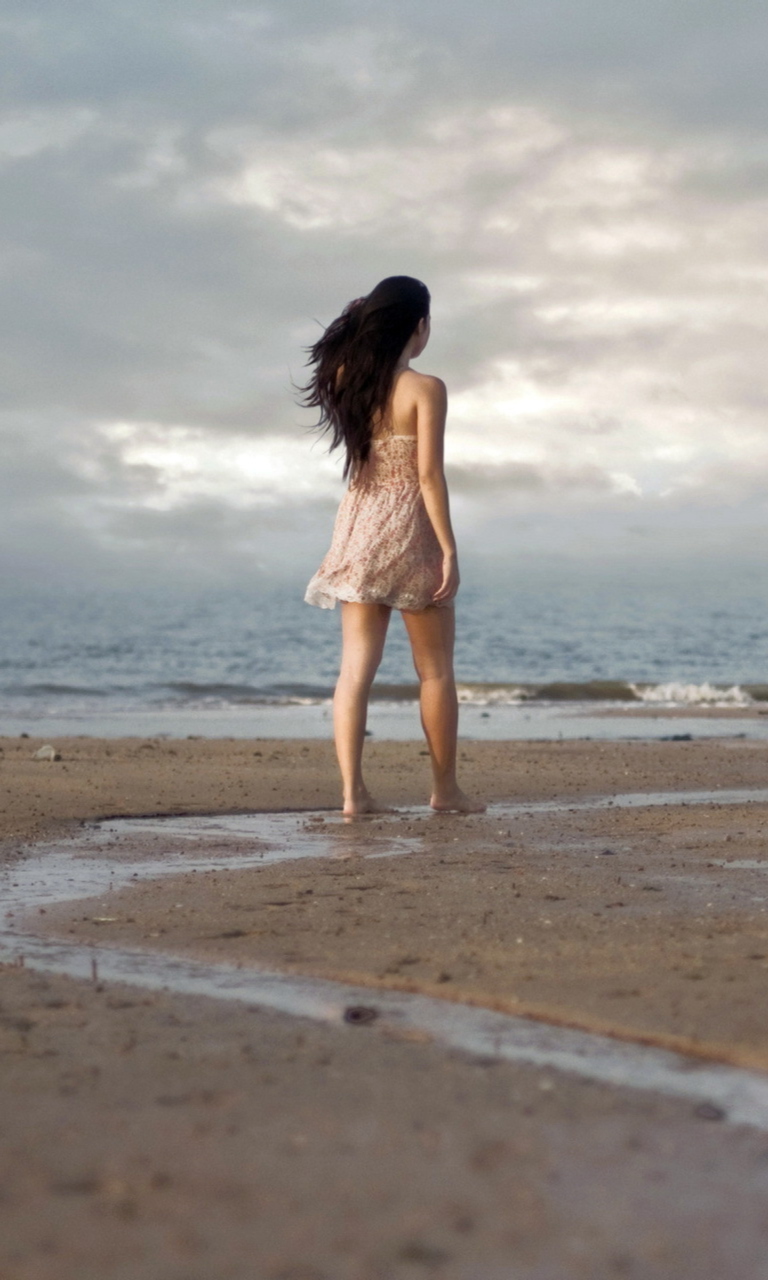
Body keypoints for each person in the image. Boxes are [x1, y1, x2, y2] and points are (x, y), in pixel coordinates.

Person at [302, 275, 484, 816]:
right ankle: (445, 791)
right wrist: (449, 548)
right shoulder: (426, 388)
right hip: (409, 531)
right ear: (419, 326)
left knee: (355, 670)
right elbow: (428, 476)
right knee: (435, 670)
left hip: (359, 527)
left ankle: (353, 794)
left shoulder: (344, 378)